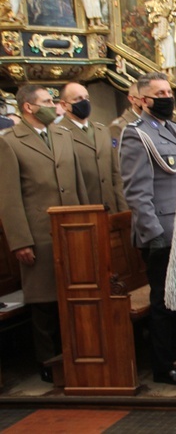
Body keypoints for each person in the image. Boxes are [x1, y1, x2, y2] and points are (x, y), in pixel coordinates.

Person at [0, 84, 88, 382]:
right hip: (39, 233)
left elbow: (77, 183)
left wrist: (88, 220)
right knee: (45, 302)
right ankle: (48, 361)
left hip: (73, 229)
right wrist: (20, 241)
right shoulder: (11, 142)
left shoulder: (62, 134)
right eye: (48, 101)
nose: (55, 106)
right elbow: (9, 198)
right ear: (29, 107)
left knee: (77, 295)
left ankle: (80, 354)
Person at [120, 71, 176, 386]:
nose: (167, 97)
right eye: (159, 93)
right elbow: (137, 192)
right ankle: (163, 367)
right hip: (160, 232)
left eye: (168, 91)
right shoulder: (136, 134)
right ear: (144, 100)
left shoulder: (173, 128)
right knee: (162, 302)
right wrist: (155, 235)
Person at [58, 82, 127, 212]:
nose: (84, 102)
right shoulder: (58, 132)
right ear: (64, 105)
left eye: (86, 98)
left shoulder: (102, 130)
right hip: (85, 209)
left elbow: (115, 173)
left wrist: (123, 209)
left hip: (110, 209)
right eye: (77, 99)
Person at [109, 82, 142, 149]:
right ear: (132, 99)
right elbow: (117, 156)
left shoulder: (156, 121)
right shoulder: (119, 127)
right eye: (144, 98)